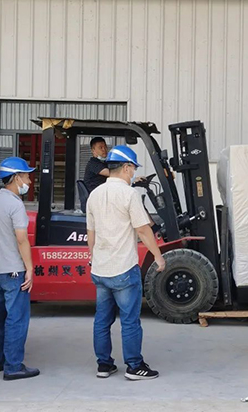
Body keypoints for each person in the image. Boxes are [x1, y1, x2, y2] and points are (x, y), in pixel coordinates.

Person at [86, 145, 166, 380]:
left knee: (102, 320)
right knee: (130, 321)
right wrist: (158, 256)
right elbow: (143, 229)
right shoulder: (129, 194)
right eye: (133, 169)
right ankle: (134, 366)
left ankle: (104, 365)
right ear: (126, 167)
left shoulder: (94, 195)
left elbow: (91, 232)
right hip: (123, 269)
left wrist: (92, 256)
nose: (133, 173)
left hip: (100, 269)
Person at [0, 157, 40, 381]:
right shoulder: (15, 205)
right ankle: (14, 366)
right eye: (26, 176)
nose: (29, 181)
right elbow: (21, 239)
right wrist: (30, 268)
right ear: (16, 178)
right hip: (14, 271)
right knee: (17, 319)